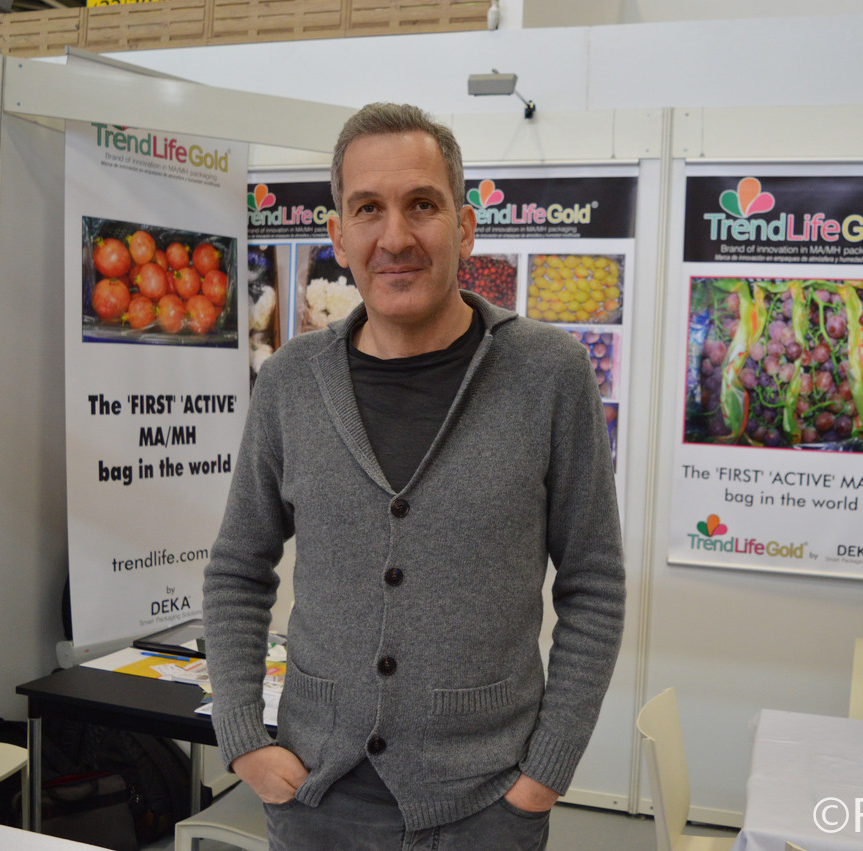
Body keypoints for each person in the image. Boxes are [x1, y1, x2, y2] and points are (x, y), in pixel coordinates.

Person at [202, 102, 625, 850]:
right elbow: (238, 568)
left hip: (487, 807)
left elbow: (593, 583)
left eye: (422, 205)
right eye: (368, 208)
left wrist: (544, 775)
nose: (395, 237)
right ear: (338, 235)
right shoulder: (292, 381)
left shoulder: (548, 373)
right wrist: (241, 737)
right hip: (315, 800)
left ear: (465, 227)